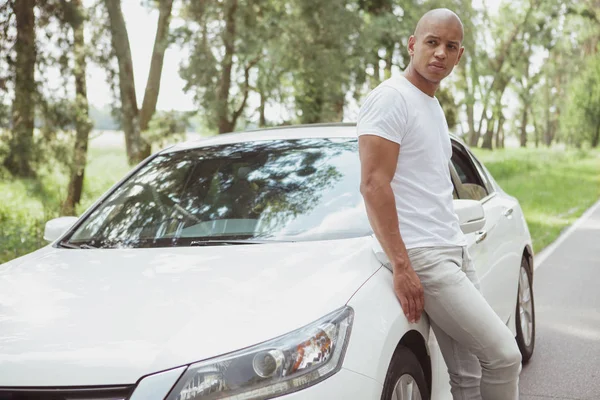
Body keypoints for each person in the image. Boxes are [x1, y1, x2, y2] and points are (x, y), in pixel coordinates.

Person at [357, 8, 522, 400]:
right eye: (432, 42)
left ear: (459, 55)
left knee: (465, 374)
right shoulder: (391, 98)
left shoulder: (430, 105)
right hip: (424, 255)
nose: (440, 54)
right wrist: (402, 265)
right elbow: (373, 184)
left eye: (450, 46)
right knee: (504, 357)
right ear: (413, 44)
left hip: (451, 248)